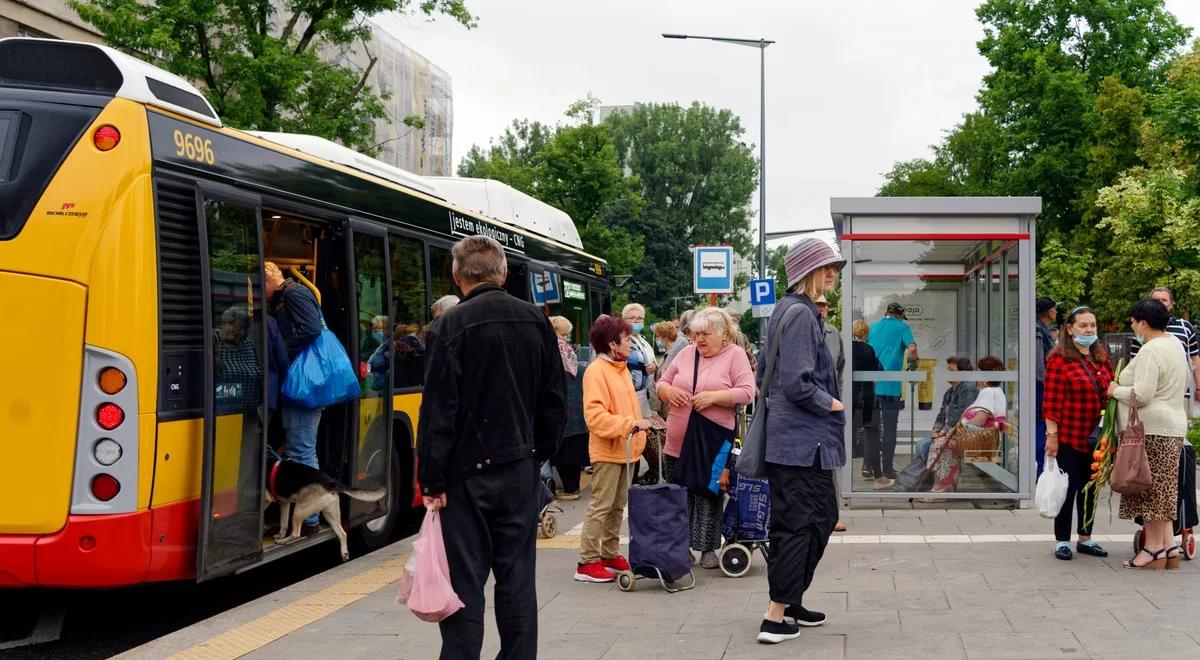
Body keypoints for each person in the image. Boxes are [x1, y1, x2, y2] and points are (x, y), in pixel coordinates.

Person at [417, 235, 566, 658]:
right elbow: (554, 401)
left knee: (464, 582)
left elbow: (438, 412)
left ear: (456, 276)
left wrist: (432, 478)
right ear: (503, 273)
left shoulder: (449, 326)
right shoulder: (536, 321)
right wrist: (538, 453)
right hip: (520, 468)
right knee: (517, 576)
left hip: (465, 477)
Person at [754, 238, 846, 644]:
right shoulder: (800, 316)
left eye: (835, 267)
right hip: (801, 444)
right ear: (806, 272)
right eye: (826, 267)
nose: (833, 273)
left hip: (799, 443)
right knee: (798, 524)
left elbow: (763, 376)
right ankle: (775, 616)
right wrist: (832, 403)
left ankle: (791, 601)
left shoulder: (788, 312)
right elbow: (795, 383)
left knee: (819, 518)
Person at [656, 308, 755, 568]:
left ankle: (708, 548)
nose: (698, 339)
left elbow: (747, 393)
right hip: (677, 440)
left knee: (709, 493)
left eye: (705, 334)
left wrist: (714, 398)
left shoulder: (735, 356)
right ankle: (682, 546)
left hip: (713, 439)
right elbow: (661, 382)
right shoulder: (686, 354)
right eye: (695, 334)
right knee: (679, 493)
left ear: (724, 335)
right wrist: (669, 391)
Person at [1109, 298, 1189, 570]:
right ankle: (1168, 546)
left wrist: (1113, 391)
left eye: (1133, 323)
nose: (1133, 328)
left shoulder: (1151, 350)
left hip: (1152, 428)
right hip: (1174, 425)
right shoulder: (1175, 344)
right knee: (1165, 489)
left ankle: (1153, 549)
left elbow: (1141, 395)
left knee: (1150, 489)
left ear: (1143, 323)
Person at [575, 314, 649, 583]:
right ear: (612, 344)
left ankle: (608, 552)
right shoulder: (597, 371)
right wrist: (630, 424)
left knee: (618, 506)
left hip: (626, 448)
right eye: (627, 340)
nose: (632, 344)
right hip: (609, 449)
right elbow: (595, 416)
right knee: (601, 506)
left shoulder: (620, 368)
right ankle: (587, 561)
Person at [1043, 306, 1114, 561]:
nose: (1089, 330)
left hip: (1097, 437)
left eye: (1092, 325)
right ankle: (1062, 540)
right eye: (1083, 326)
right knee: (1068, 489)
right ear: (1070, 329)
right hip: (1069, 436)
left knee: (1090, 488)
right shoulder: (1059, 357)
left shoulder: (1101, 355)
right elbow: (1051, 401)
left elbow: (1111, 388)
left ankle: (1086, 538)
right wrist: (1052, 436)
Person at [265, 261, 325, 529]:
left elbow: (312, 328)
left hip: (304, 385)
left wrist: (283, 348)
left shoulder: (294, 293)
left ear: (268, 280)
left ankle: (309, 516)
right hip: (299, 385)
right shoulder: (288, 295)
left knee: (301, 449)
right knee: (299, 447)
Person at [926, 356, 1006, 495]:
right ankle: (945, 485)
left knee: (940, 445)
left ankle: (941, 488)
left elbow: (979, 420)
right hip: (981, 437)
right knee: (941, 443)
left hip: (980, 440)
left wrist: (957, 431)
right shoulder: (992, 391)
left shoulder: (988, 392)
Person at [866, 302, 917, 488]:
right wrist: (913, 365)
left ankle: (868, 466)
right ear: (901, 314)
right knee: (889, 428)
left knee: (871, 427)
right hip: (890, 387)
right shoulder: (903, 326)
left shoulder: (873, 327)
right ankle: (887, 469)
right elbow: (911, 349)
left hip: (871, 386)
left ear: (886, 313)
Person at [1131, 287, 1200, 406]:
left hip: (1180, 392)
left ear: (1171, 304)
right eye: (1156, 300)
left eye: (1164, 300)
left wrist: (1198, 387)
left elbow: (1195, 360)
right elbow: (1134, 363)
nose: (1160, 303)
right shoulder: (1141, 329)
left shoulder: (1185, 327)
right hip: (1151, 393)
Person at [814, 296, 846, 531]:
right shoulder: (798, 330)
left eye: (824, 305)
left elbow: (841, 368)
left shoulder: (834, 334)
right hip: (805, 406)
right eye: (817, 305)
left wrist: (838, 400)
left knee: (830, 460)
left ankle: (833, 514)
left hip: (830, 407)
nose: (822, 309)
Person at [550, 315, 588, 500]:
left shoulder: (551, 352)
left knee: (563, 454)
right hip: (578, 411)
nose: (566, 338)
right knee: (574, 452)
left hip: (561, 411)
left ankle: (570, 489)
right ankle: (573, 487)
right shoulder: (572, 353)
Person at [850, 320, 882, 470]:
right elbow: (877, 371)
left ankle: (849, 453)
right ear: (864, 333)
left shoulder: (846, 348)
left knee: (850, 425)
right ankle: (870, 466)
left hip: (850, 394)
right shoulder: (867, 349)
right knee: (871, 428)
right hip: (866, 395)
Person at [621, 303, 657, 418]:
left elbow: (652, 360)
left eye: (640, 318)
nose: (636, 321)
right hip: (627, 394)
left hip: (644, 394)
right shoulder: (620, 339)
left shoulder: (643, 340)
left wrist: (654, 367)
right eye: (632, 318)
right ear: (623, 319)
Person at [1035, 297, 1058, 476]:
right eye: (1054, 309)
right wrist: (1049, 382)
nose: (1056, 312)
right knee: (1040, 427)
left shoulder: (1043, 330)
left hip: (1042, 386)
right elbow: (1039, 367)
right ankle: (1039, 469)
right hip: (1040, 388)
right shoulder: (1038, 331)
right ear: (1048, 311)